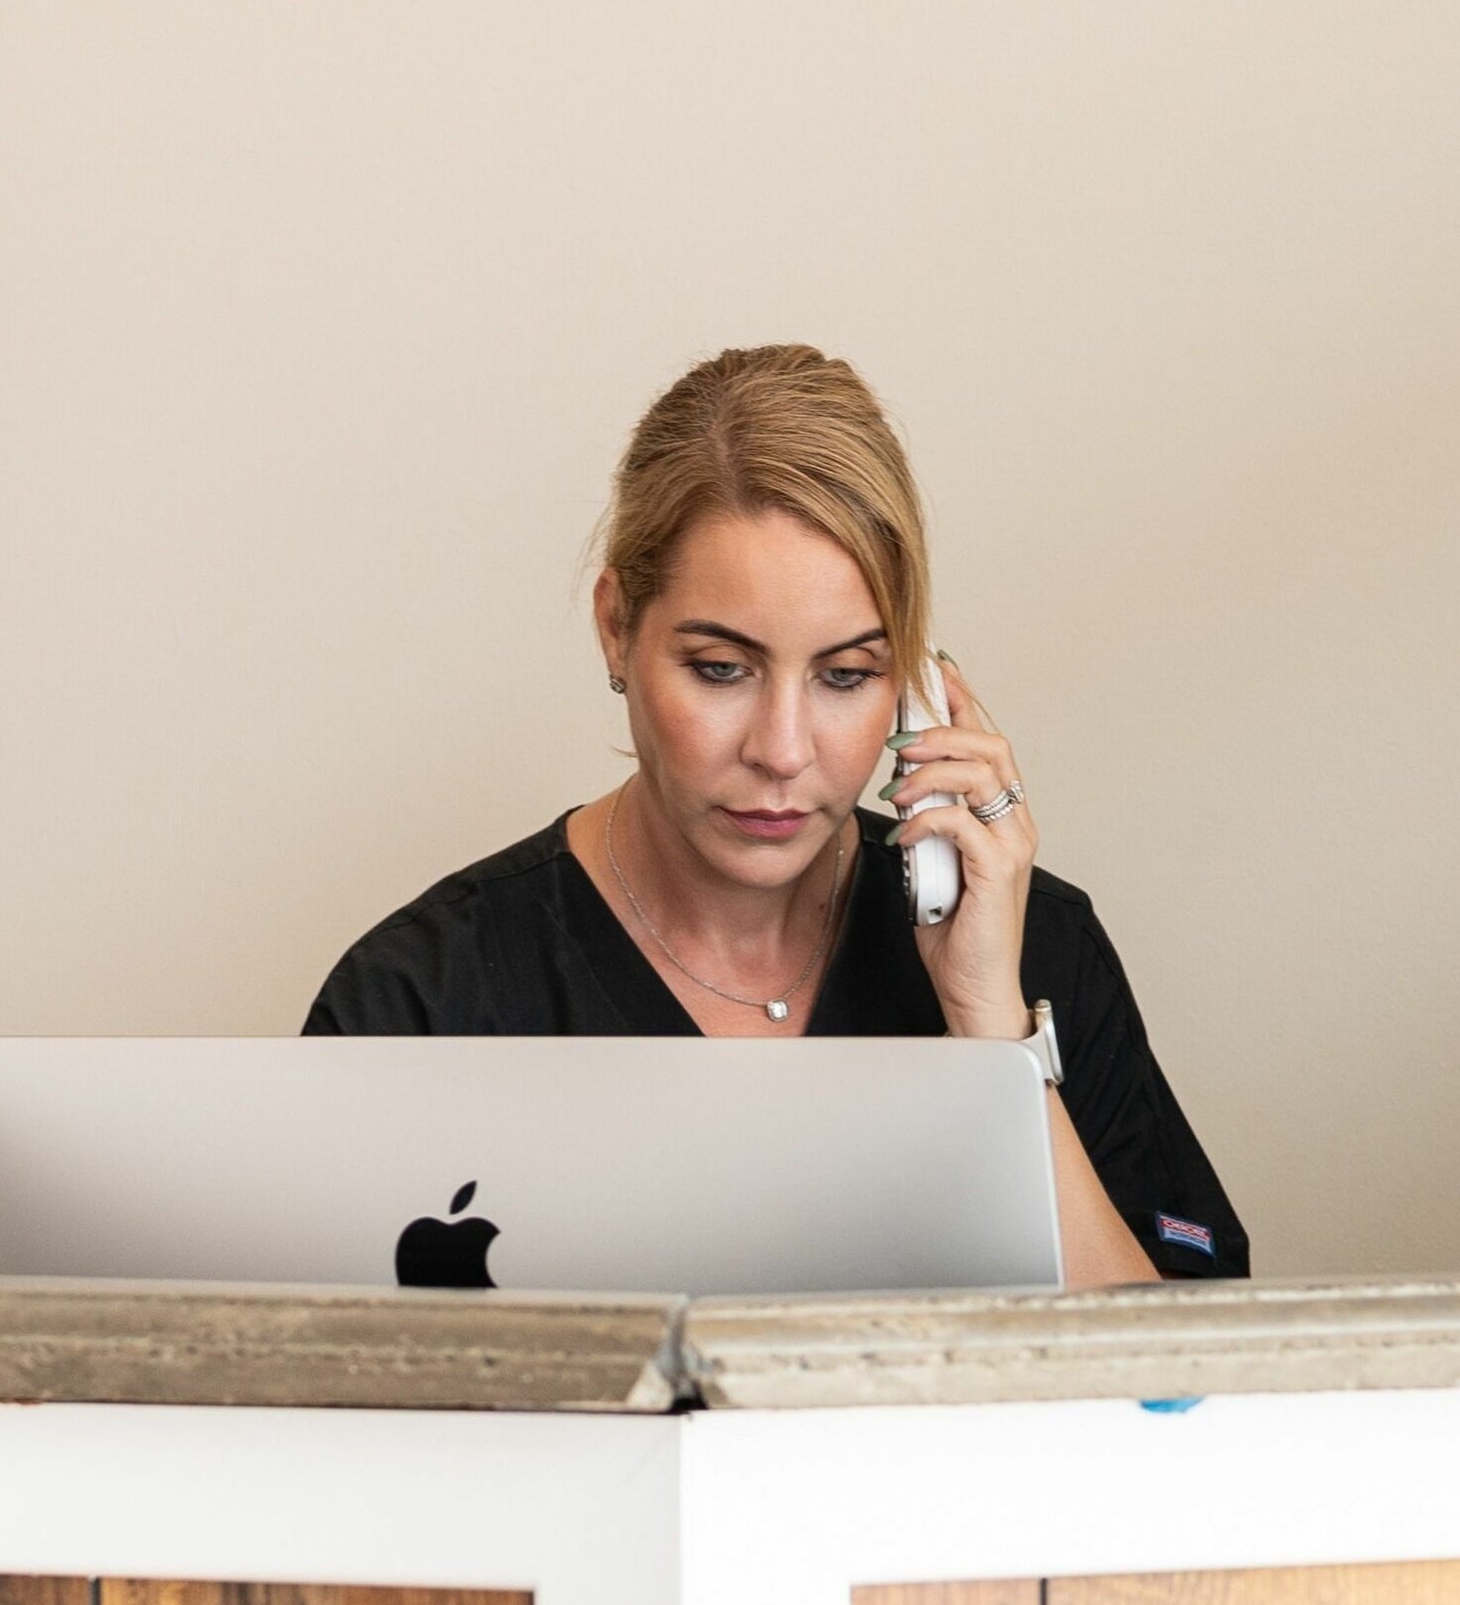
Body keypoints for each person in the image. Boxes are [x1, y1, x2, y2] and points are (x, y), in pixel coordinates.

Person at [307, 344, 1244, 1285]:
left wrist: (994, 1044)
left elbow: (1183, 1398)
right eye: (721, 670)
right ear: (617, 630)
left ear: (914, 685)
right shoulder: (420, 1002)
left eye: (848, 676)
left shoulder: (1032, 952)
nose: (784, 750)